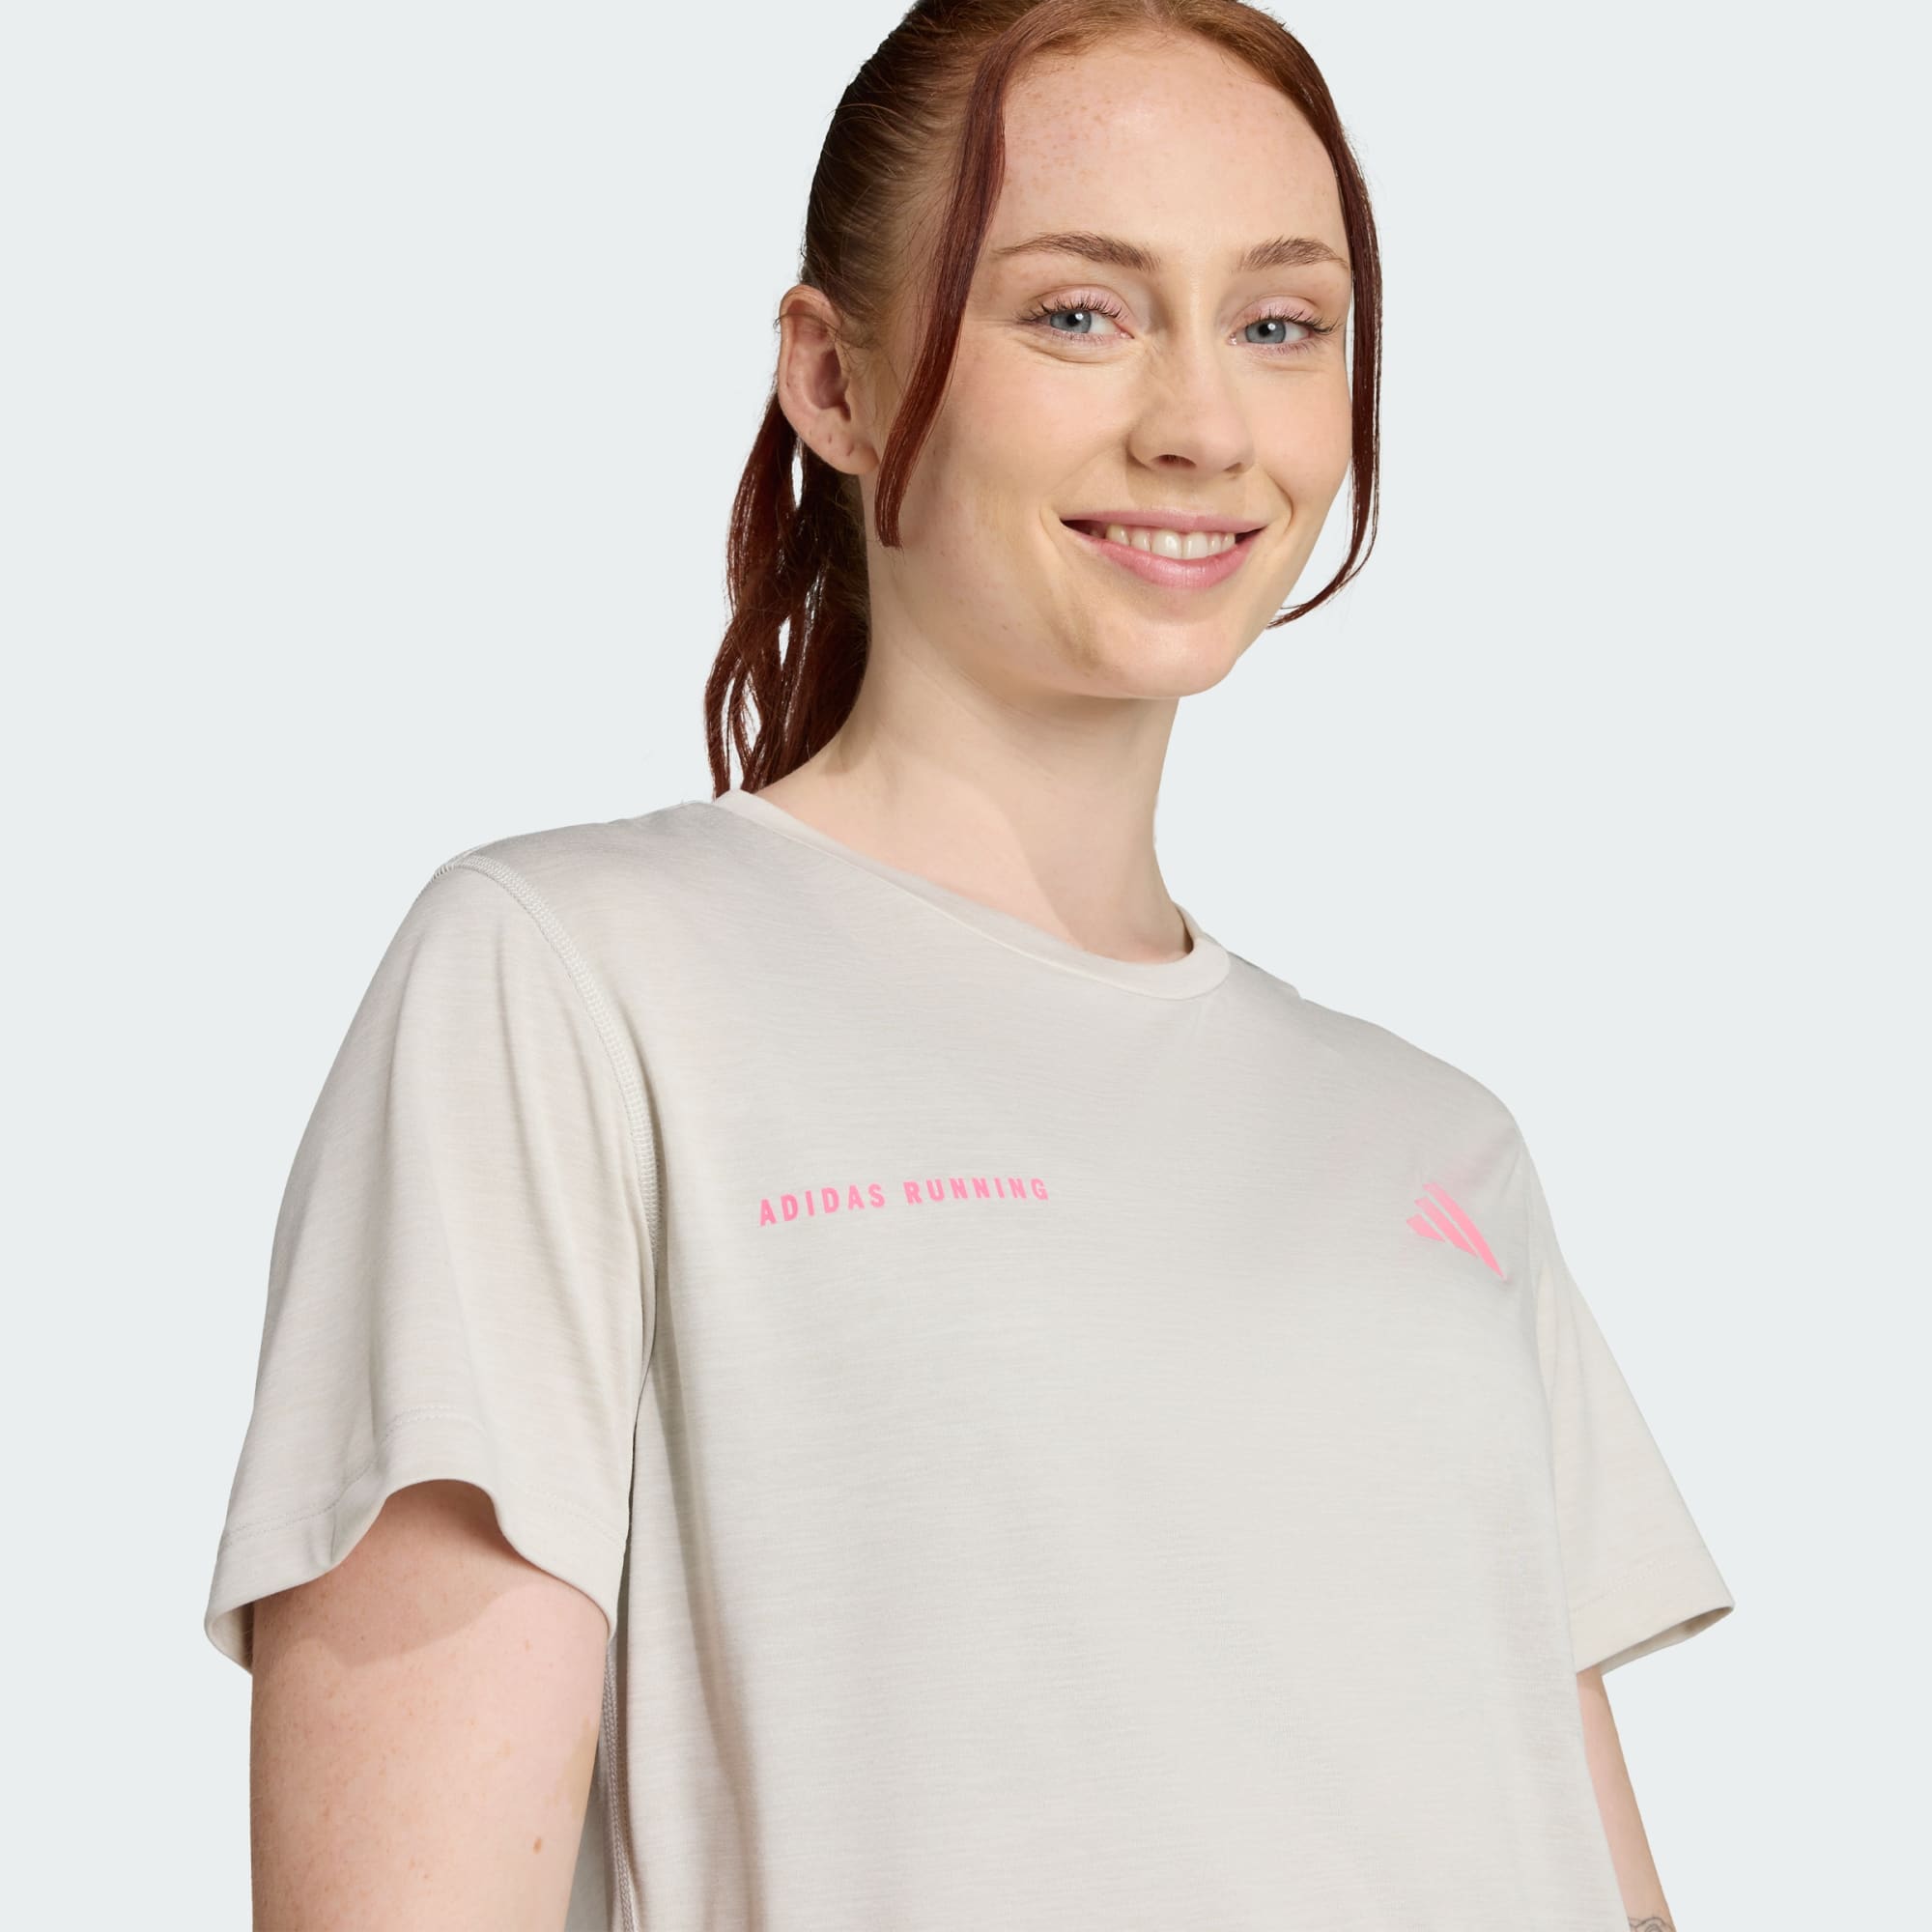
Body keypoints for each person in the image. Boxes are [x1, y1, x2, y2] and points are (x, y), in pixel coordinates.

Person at [203, 3, 1736, 1927]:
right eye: (1080, 313)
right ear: (831, 381)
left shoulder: (1438, 1145)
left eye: (1281, 323)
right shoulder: (573, 984)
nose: (1201, 423)